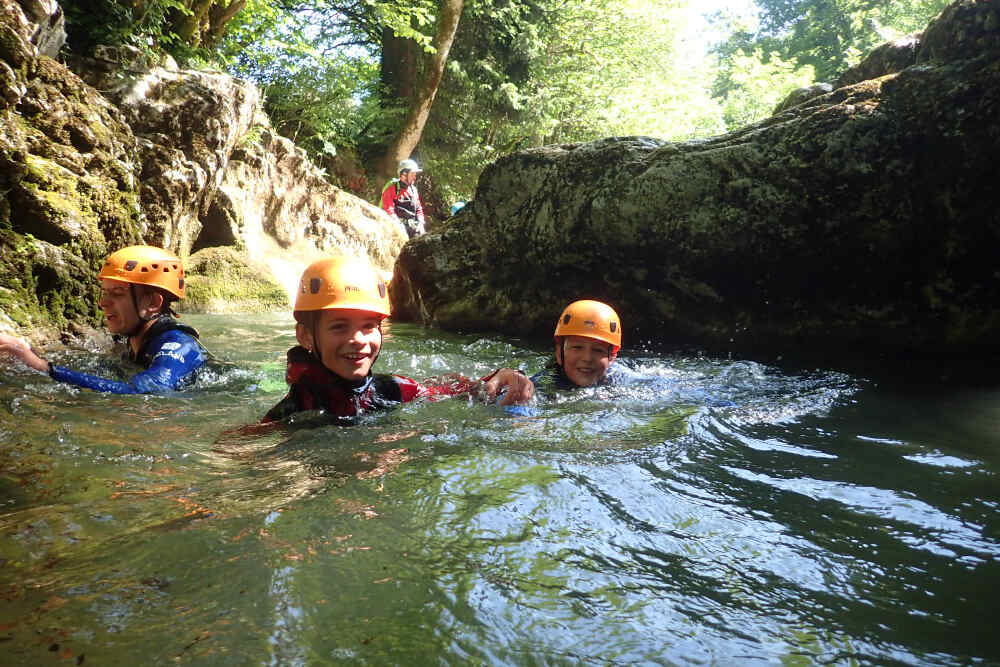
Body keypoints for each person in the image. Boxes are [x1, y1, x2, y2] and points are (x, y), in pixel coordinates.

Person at [262, 255, 533, 423]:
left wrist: (500, 378)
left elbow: (449, 391)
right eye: (339, 327)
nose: (358, 339)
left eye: (369, 326)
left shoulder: (392, 390)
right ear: (306, 336)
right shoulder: (293, 411)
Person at [0, 245, 208, 393]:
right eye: (104, 293)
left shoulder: (179, 346)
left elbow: (140, 391)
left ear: (152, 302)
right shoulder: (134, 342)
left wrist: (42, 367)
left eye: (117, 293)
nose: (103, 303)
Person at [530, 299, 634, 392]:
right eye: (577, 347)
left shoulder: (623, 379)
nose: (587, 358)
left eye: (598, 350)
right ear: (559, 353)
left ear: (611, 357)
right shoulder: (541, 385)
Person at [380, 158, 426, 239]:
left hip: (413, 226)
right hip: (395, 226)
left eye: (415, 175)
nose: (415, 178)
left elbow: (419, 209)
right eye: (412, 174)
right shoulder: (392, 188)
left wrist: (421, 223)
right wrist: (399, 225)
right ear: (404, 174)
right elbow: (388, 208)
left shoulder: (413, 190)